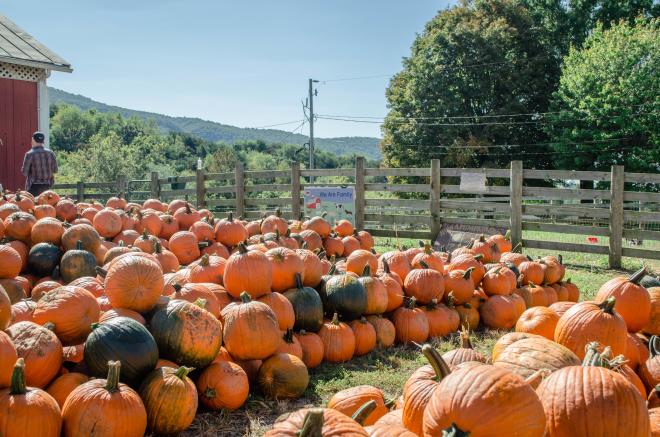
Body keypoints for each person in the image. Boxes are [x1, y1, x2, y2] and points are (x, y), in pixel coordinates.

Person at [21, 131, 58, 197]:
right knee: (47, 206)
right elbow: (55, 170)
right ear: (43, 141)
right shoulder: (51, 153)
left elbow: (24, 173)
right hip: (47, 187)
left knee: (34, 206)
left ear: (33, 140)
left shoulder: (29, 154)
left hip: (33, 187)